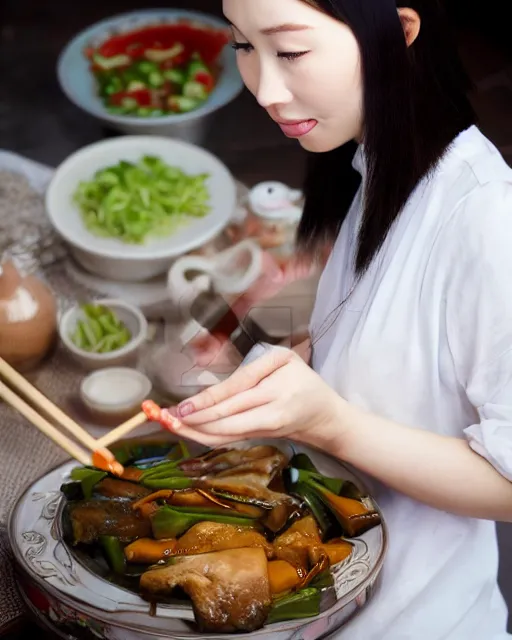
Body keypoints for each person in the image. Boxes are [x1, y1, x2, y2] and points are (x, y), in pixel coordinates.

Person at [153, 1, 512, 638]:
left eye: (290, 51)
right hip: (335, 592)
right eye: (243, 45)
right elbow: (392, 346)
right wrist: (287, 374)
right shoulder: (375, 162)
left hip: (416, 616)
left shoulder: (488, 220)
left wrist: (331, 423)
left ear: (401, 32)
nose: (263, 88)